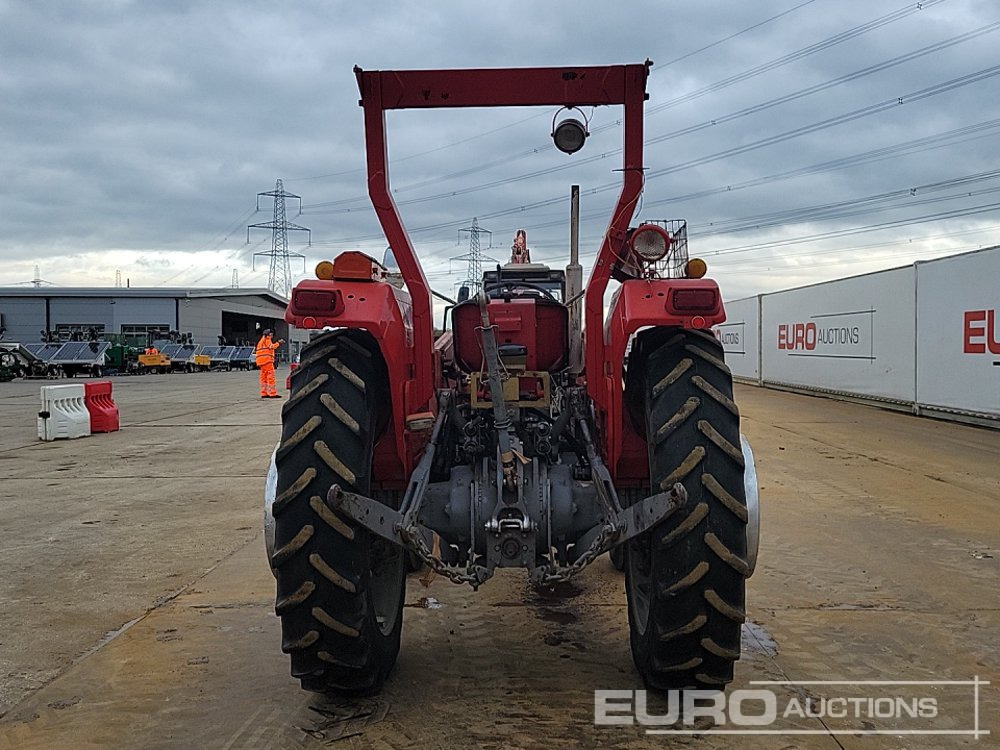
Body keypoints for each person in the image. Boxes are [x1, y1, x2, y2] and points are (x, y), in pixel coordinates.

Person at [255, 329, 284, 398]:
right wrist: (278, 343)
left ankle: (264, 393)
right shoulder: (267, 339)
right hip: (267, 361)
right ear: (269, 334)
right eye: (272, 334)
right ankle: (272, 393)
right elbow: (271, 347)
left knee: (263, 377)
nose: (272, 336)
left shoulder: (261, 341)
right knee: (271, 376)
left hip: (261, 362)